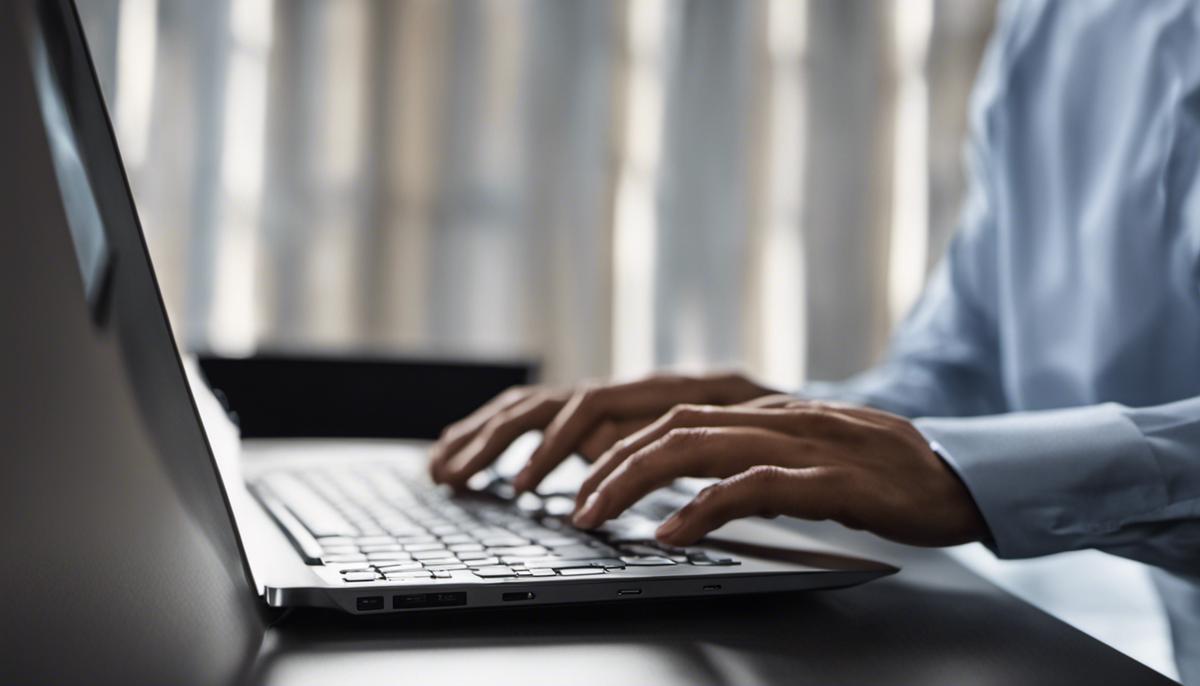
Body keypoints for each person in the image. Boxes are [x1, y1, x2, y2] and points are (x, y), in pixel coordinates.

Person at [428, 0, 1200, 681]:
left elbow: (959, 453)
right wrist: (775, 426)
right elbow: (959, 367)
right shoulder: (1055, 18)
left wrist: (972, 477)